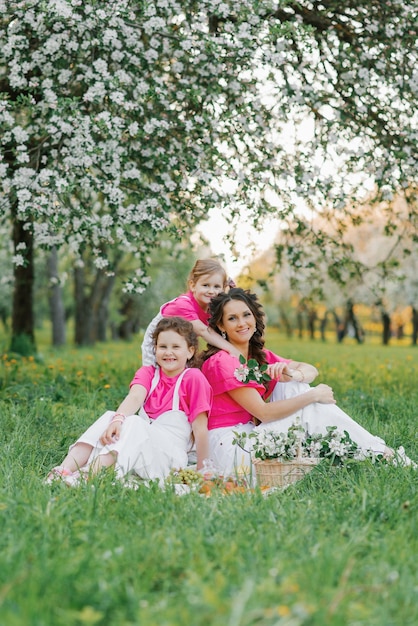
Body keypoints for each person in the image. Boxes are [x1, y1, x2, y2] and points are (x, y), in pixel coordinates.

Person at [199, 288, 416, 476]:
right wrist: (312, 395)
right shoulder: (222, 362)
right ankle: (381, 453)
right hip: (231, 447)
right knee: (307, 400)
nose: (242, 323)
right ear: (221, 326)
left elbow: (311, 370)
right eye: (232, 318)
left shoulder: (259, 356)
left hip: (250, 435)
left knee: (293, 383)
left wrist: (294, 374)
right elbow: (263, 413)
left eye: (246, 315)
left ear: (255, 318)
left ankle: (374, 452)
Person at [46, 317, 212, 486]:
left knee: (133, 422)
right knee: (112, 416)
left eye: (176, 347)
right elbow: (135, 397)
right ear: (155, 349)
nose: (168, 352)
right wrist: (117, 420)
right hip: (141, 451)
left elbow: (200, 429)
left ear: (190, 351)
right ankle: (64, 470)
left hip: (169, 458)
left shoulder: (193, 378)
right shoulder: (149, 373)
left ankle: (88, 474)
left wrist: (202, 471)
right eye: (163, 347)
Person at [141, 258, 241, 366]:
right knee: (157, 375)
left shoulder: (211, 306)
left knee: (185, 374)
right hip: (158, 345)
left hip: (180, 344)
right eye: (205, 285)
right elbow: (204, 331)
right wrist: (232, 350)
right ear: (193, 286)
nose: (211, 291)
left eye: (216, 287)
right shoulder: (183, 305)